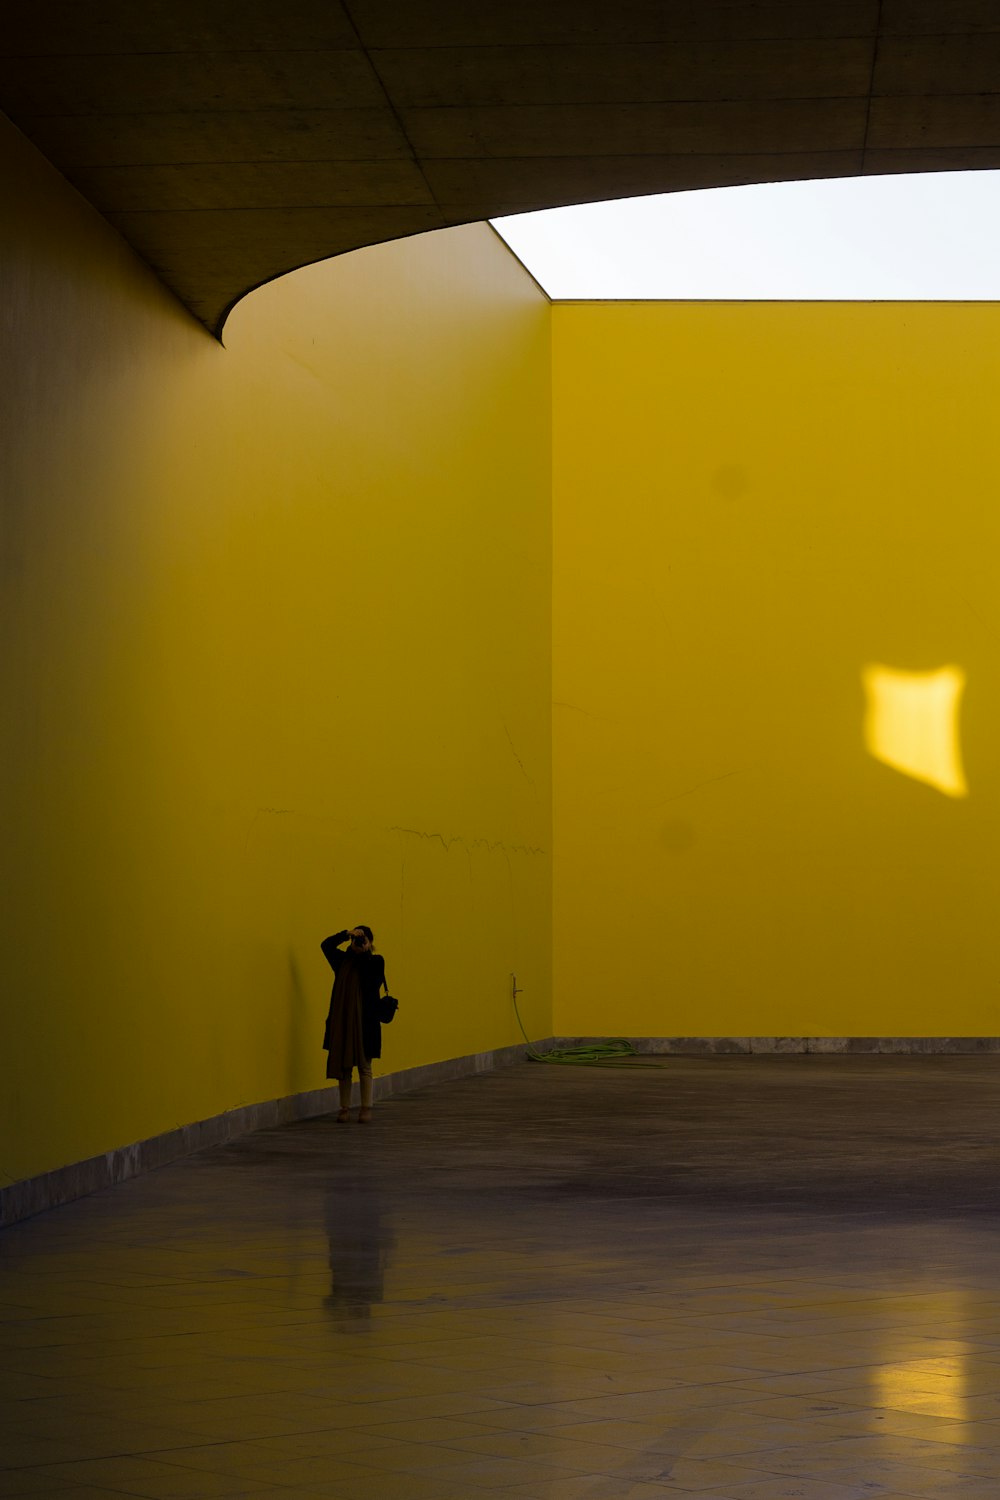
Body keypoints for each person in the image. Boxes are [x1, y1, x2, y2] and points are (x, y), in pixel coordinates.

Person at [321, 926, 387, 1124]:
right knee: (344, 1067)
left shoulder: (375, 961)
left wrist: (364, 953)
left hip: (365, 1023)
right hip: (343, 1021)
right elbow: (325, 946)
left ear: (370, 942)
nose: (358, 943)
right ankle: (344, 1108)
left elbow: (373, 980)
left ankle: (366, 1108)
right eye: (356, 939)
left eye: (362, 939)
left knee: (365, 1067)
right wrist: (345, 934)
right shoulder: (341, 961)